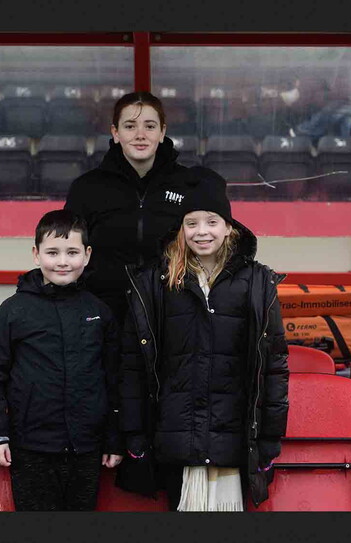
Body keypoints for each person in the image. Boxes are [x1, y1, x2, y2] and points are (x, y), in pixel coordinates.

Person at [118, 167, 290, 511]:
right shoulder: (157, 281)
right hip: (175, 432)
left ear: (229, 228)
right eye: (191, 223)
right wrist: (135, 434)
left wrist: (270, 438)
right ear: (180, 230)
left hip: (235, 434)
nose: (201, 232)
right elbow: (133, 365)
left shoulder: (257, 282)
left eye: (212, 221)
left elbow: (274, 366)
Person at [0, 209, 124, 511]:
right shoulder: (13, 310)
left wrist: (114, 439)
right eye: (52, 252)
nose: (63, 261)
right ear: (36, 254)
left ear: (87, 254)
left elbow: (113, 379)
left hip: (86, 446)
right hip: (31, 446)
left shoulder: (99, 312)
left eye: (72, 252)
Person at [65, 91, 199, 325]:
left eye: (149, 126)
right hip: (103, 318)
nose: (140, 135)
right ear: (115, 133)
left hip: (172, 318)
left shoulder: (189, 185)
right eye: (129, 126)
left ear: (162, 132)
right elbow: (67, 250)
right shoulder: (86, 188)